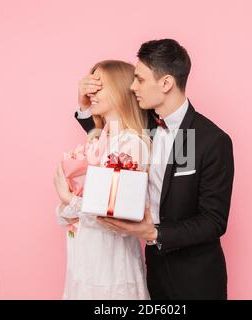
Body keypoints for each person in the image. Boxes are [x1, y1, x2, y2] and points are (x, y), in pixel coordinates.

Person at [75, 39, 235, 299]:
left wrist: (152, 232)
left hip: (196, 280)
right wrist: (85, 102)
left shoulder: (212, 140)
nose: (132, 86)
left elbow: (213, 221)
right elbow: (112, 130)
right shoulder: (144, 125)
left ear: (166, 83)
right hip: (153, 273)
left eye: (139, 79)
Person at [53, 60, 151, 299]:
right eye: (90, 85)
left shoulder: (132, 144)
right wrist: (69, 206)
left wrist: (69, 199)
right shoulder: (98, 142)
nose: (91, 92)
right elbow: (74, 213)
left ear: (121, 90)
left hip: (111, 269)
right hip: (86, 263)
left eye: (100, 86)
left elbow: (120, 220)